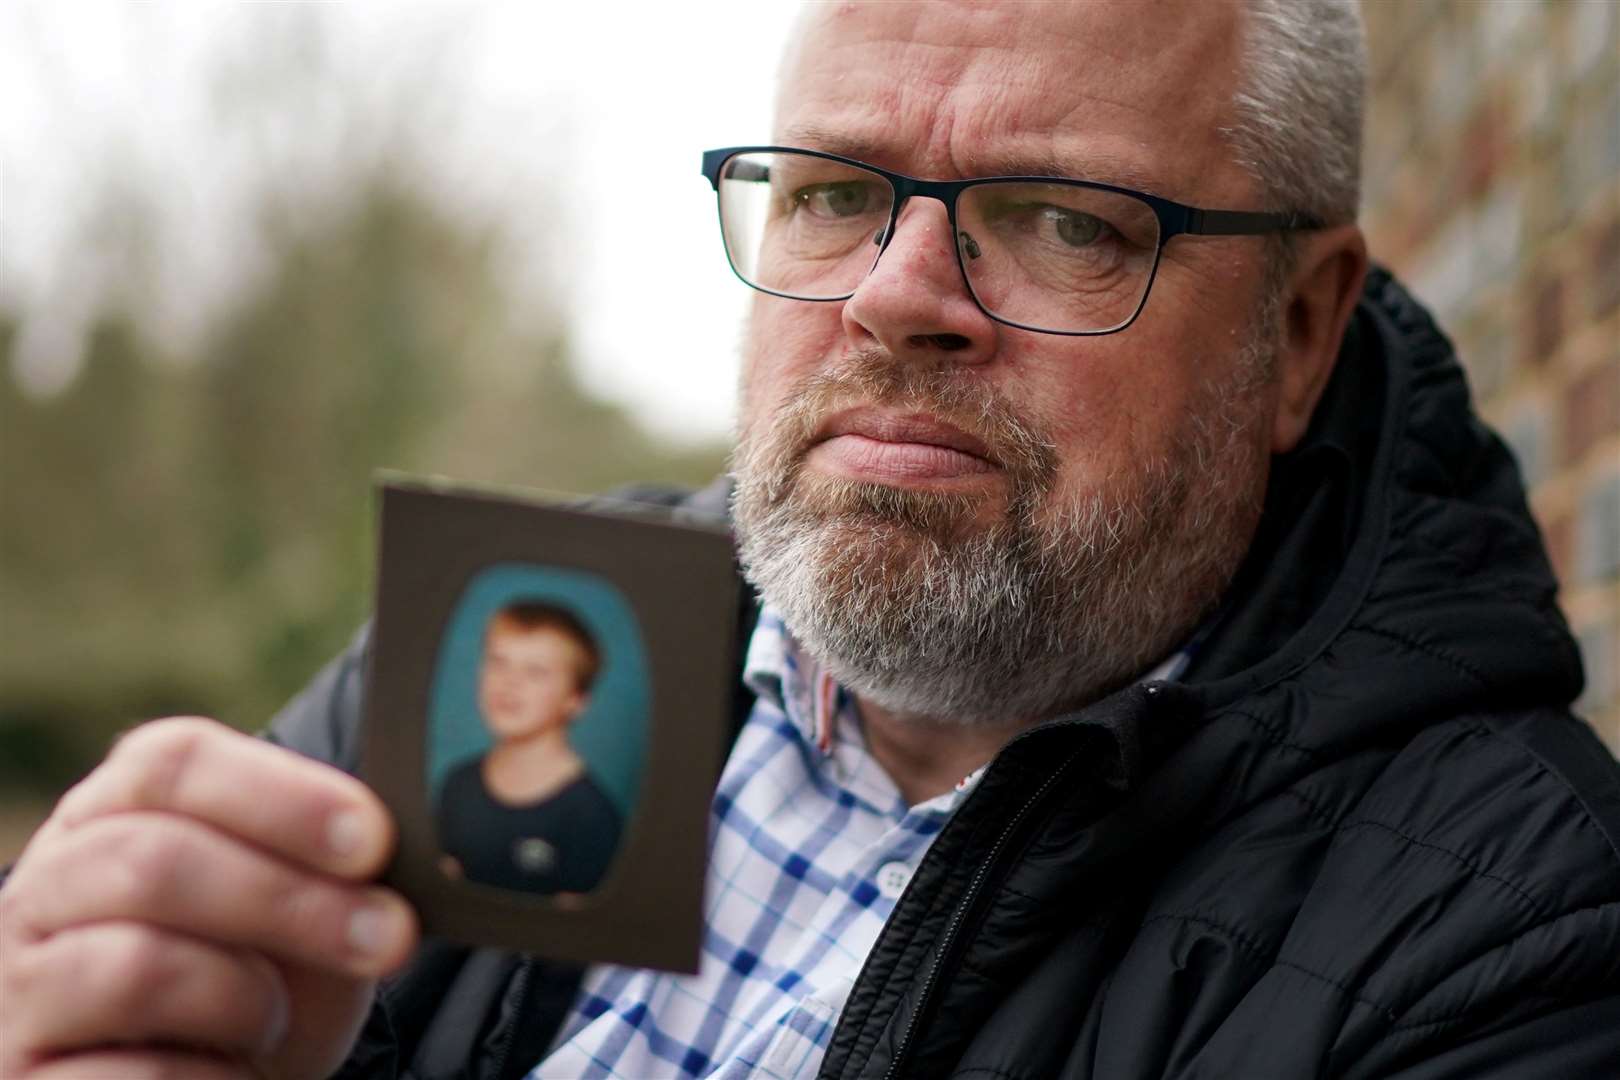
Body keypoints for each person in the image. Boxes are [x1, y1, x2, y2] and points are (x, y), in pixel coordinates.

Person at [3, 1, 1618, 1077]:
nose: (895, 293)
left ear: (1304, 329)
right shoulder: (519, 636)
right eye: (834, 193)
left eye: (1065, 218)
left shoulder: (1522, 937)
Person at [435, 600, 621, 896]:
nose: (509, 682)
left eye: (535, 672)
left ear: (576, 699)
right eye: (498, 662)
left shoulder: (590, 816)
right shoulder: (458, 784)